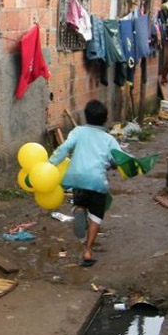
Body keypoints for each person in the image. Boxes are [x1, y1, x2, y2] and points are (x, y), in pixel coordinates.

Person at [49, 100, 122, 268]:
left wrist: (50, 164)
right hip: (96, 181)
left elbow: (64, 148)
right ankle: (87, 251)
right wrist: (114, 164)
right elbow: (118, 160)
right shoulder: (109, 139)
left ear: (86, 117)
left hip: (76, 178)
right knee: (96, 216)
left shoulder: (78, 131)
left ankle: (80, 209)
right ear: (105, 119)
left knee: (81, 202)